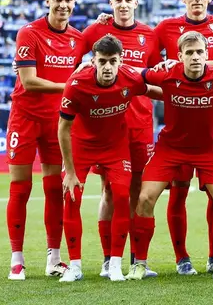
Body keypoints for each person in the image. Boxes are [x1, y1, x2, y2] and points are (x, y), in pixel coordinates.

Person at [131, 31, 213, 281]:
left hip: (208, 150)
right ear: (179, 56)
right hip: (170, 149)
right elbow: (133, 75)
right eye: (189, 53)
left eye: (199, 52)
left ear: (207, 55)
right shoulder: (166, 74)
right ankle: (139, 263)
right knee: (145, 197)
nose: (195, 57)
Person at [58, 34, 159, 282]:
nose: (107, 67)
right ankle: (75, 266)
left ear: (121, 61)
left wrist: (186, 95)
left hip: (115, 147)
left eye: (112, 61)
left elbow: (153, 90)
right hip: (82, 146)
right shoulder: (77, 83)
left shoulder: (130, 78)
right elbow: (63, 128)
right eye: (102, 61)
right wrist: (70, 172)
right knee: (72, 197)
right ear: (93, 61)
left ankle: (115, 264)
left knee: (123, 196)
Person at [77, 0, 161, 279]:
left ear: (136, 2)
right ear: (110, 3)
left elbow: (155, 81)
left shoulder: (150, 35)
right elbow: (74, 65)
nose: (123, 4)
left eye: (128, 0)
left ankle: (138, 260)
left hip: (139, 125)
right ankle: (108, 260)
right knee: (110, 193)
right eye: (118, 0)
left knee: (137, 192)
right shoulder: (96, 31)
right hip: (106, 127)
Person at [151, 0, 213, 275]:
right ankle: (181, 257)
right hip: (180, 122)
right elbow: (144, 64)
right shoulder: (164, 29)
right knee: (179, 191)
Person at [6, 0, 84, 281]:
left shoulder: (79, 39)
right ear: (47, 1)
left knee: (55, 190)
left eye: (68, 0)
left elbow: (101, 41)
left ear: (74, 2)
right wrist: (69, 85)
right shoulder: (29, 33)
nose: (63, 5)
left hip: (58, 122)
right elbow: (29, 81)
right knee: (21, 188)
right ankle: (17, 259)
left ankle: (54, 257)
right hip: (25, 117)